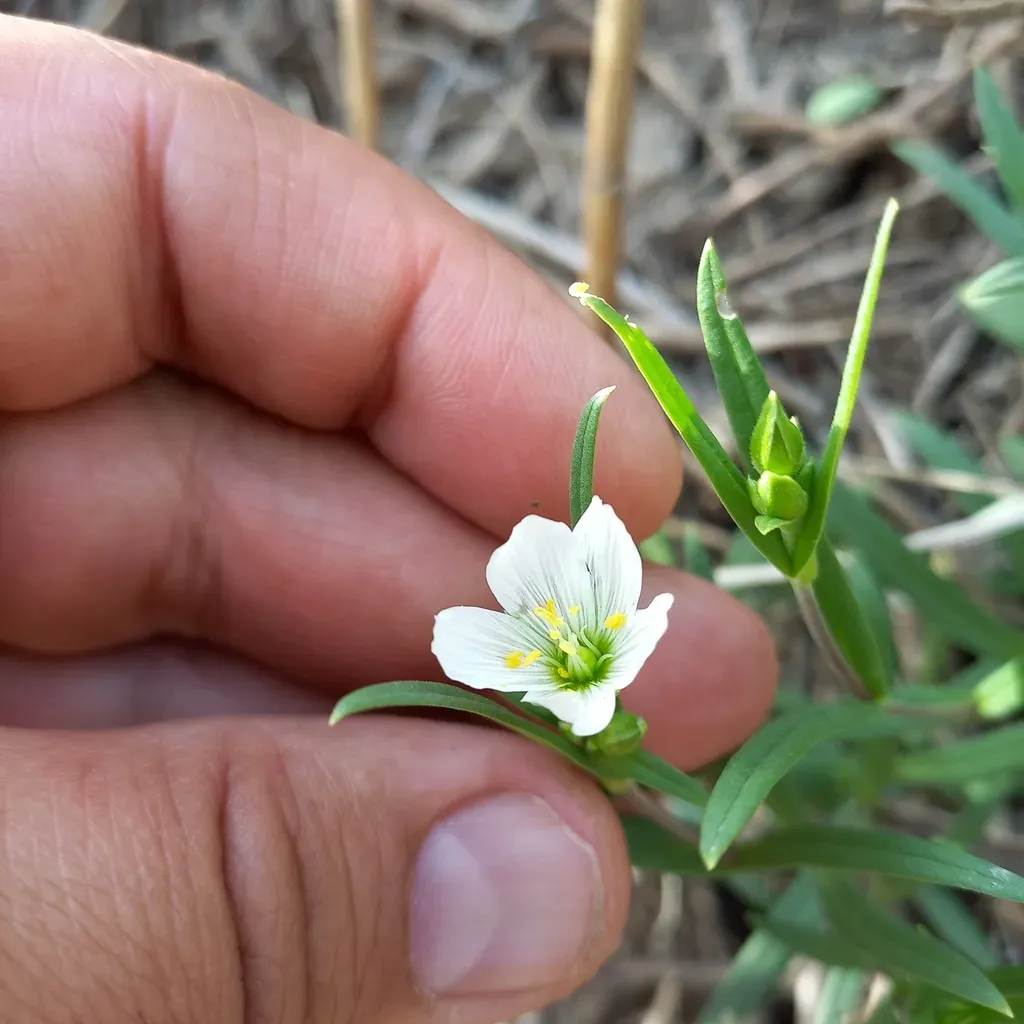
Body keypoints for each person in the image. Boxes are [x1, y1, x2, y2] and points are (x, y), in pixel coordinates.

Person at [0, 13, 777, 1023]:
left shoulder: (592, 661)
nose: (578, 657)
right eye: (579, 664)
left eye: (580, 663)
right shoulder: (562, 671)